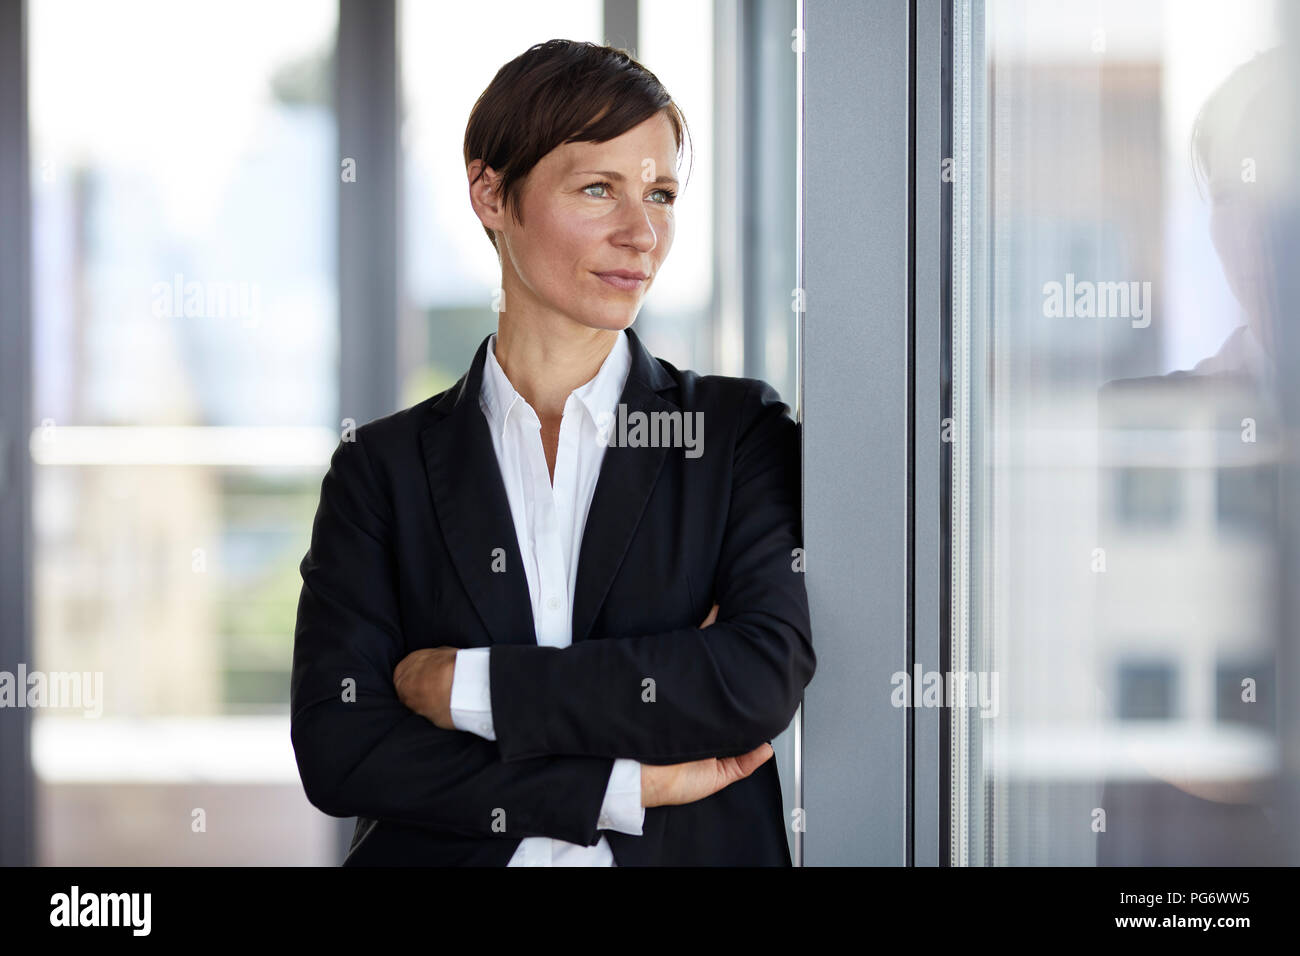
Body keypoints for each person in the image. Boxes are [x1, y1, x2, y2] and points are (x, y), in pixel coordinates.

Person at [290, 39, 816, 866]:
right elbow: (342, 749)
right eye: (599, 188)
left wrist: (466, 687)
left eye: (663, 193)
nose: (642, 232)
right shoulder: (380, 472)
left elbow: (754, 680)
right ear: (492, 193)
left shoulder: (736, 432)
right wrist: (620, 785)